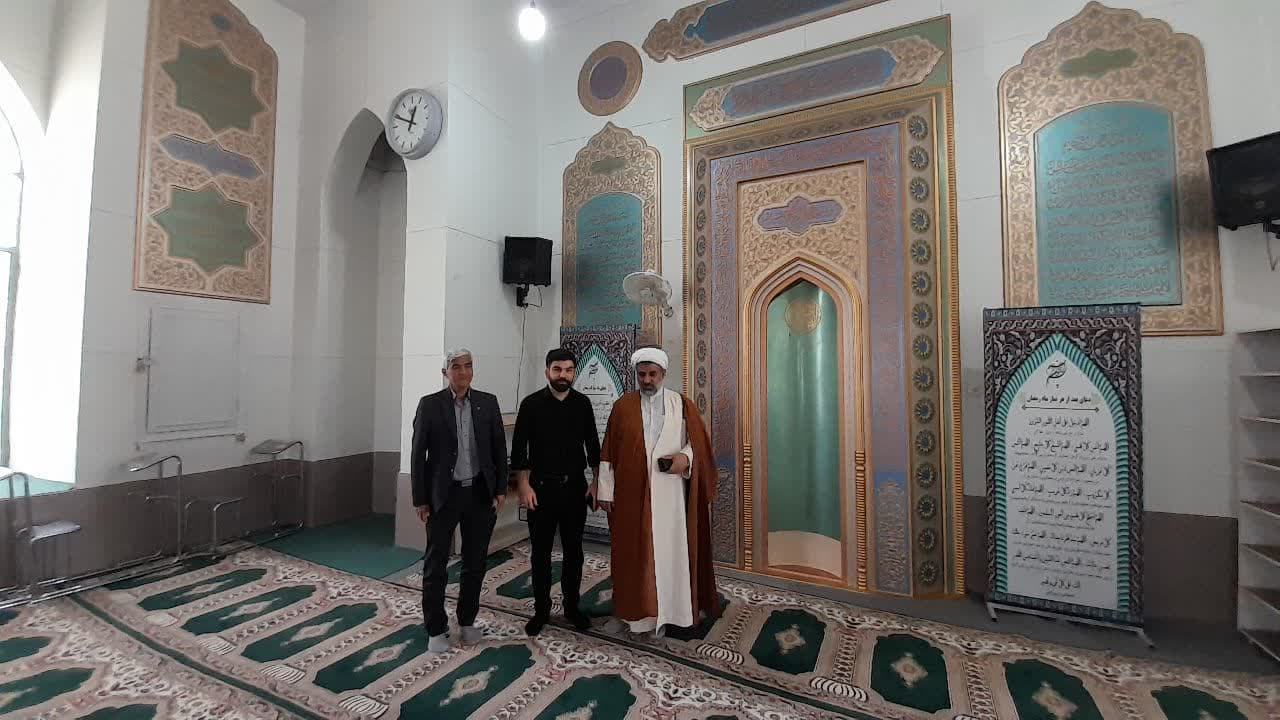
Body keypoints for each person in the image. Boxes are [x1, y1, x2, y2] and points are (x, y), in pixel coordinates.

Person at [595, 347, 719, 637]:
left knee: (667, 556)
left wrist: (685, 458)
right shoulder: (622, 406)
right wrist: (605, 491)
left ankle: (665, 617)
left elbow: (698, 446)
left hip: (669, 496)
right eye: (642, 375)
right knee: (628, 556)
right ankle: (627, 615)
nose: (647, 380)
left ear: (663, 374)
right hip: (629, 493)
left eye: (652, 374)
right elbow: (608, 451)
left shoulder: (681, 405)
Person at [411, 349, 509, 653]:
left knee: (475, 562)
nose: (464, 372)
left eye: (468, 366)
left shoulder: (487, 402)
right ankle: (436, 628)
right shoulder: (430, 405)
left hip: (479, 493)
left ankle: (467, 621)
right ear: (445, 372)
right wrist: (420, 499)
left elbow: (498, 448)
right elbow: (418, 454)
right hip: (444, 495)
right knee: (436, 563)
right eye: (456, 367)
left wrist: (500, 488)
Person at [511, 348, 601, 636]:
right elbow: (519, 449)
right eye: (558, 370)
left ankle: (572, 607)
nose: (563, 375)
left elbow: (593, 445)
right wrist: (523, 486)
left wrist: (596, 482)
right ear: (547, 371)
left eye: (569, 370)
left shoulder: (582, 404)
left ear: (574, 373)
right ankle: (541, 610)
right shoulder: (531, 404)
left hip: (575, 489)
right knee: (541, 553)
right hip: (540, 490)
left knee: (574, 552)